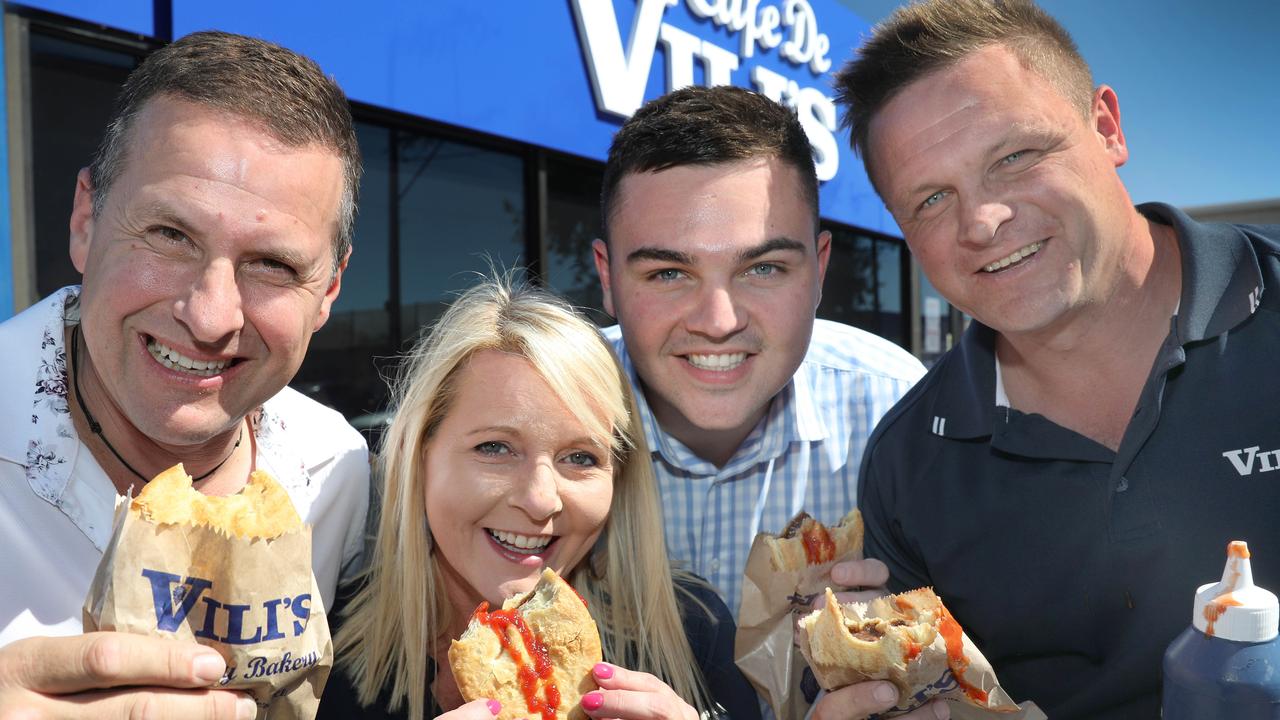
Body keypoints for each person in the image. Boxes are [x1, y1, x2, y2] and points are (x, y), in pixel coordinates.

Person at [830, 0, 1280, 717]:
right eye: (931, 199)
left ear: (1107, 128)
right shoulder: (907, 466)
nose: (982, 222)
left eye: (1014, 157)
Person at [0, 31, 369, 718]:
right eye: (171, 235)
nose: (210, 316)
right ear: (86, 218)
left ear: (329, 291)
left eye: (273, 265)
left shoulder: (339, 471)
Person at [318, 276, 760, 720]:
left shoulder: (695, 632)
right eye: (495, 448)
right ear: (419, 455)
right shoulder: (317, 655)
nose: (541, 500)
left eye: (580, 457)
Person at [591, 85, 926, 623]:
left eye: (762, 269)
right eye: (669, 274)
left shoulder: (899, 412)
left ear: (819, 270)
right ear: (608, 278)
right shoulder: (541, 408)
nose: (719, 323)